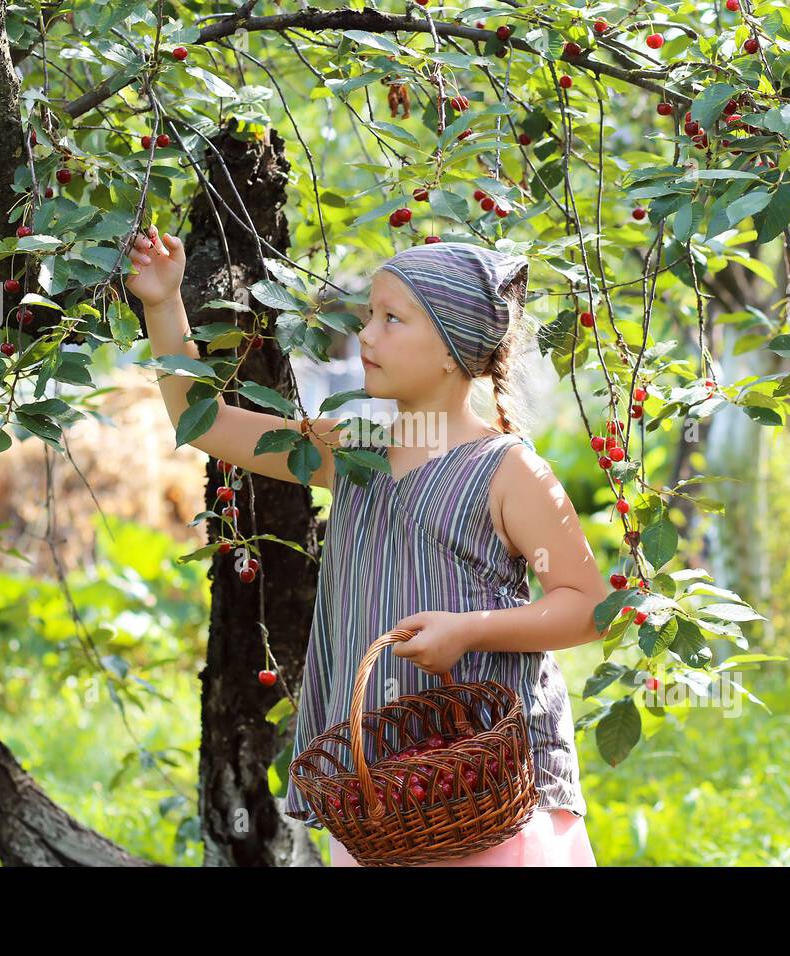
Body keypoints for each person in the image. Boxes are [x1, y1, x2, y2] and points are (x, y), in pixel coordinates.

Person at [125, 227, 606, 867]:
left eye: (391, 319)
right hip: (379, 790)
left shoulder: (509, 472)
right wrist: (163, 304)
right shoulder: (352, 449)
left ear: (451, 349)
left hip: (483, 787)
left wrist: (471, 630)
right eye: (370, 316)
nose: (367, 337)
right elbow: (207, 422)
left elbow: (588, 607)